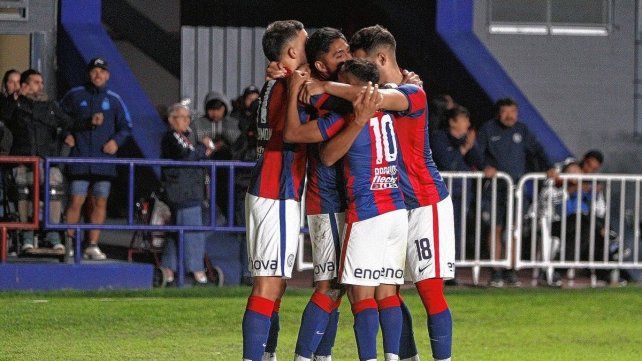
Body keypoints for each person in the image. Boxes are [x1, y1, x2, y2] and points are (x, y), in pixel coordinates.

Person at [241, 20, 308, 361]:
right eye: (306, 41)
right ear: (293, 52)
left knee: (276, 282)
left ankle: (267, 354)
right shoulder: (291, 84)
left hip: (266, 188)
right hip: (276, 192)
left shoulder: (273, 83)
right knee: (268, 284)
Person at [1, 69, 96, 251]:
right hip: (23, 159)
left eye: (42, 82)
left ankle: (53, 236)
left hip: (46, 160)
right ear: (25, 85)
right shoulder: (16, 105)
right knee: (24, 190)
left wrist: (90, 122)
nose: (41, 86)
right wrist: (14, 99)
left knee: (53, 189)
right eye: (36, 82)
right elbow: (4, 116)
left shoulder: (51, 106)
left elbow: (69, 122)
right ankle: (26, 235)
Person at [477, 98, 558, 287]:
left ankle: (511, 270)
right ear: (499, 113)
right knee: (495, 228)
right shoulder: (488, 129)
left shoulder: (522, 130)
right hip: (495, 189)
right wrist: (485, 167)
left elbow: (537, 150)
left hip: (516, 190)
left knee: (514, 229)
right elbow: (477, 152)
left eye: (513, 112)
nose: (509, 116)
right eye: (506, 112)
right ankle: (496, 270)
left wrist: (550, 167)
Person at [60, 57, 132, 260]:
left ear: (107, 75)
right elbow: (57, 117)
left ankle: (92, 244)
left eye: (102, 71)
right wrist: (66, 134)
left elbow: (127, 127)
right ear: (89, 74)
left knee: (100, 202)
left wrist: (116, 142)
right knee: (76, 200)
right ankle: (69, 243)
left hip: (104, 161)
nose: (98, 75)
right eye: (94, 71)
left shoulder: (115, 99)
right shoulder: (75, 95)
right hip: (80, 158)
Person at [431, 105, 492, 272]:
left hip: (462, 193)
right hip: (442, 193)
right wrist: (465, 148)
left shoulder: (467, 140)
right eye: (463, 119)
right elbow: (448, 163)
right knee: (440, 230)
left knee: (458, 230)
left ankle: (453, 268)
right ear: (452, 122)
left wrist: (486, 167)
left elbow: (479, 161)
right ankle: (438, 268)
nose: (467, 123)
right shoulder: (439, 138)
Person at [159, 102, 214, 285]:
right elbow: (186, 155)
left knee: (176, 232)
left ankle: (168, 269)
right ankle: (198, 272)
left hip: (188, 190)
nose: (187, 121)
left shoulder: (185, 137)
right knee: (193, 232)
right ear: (171, 120)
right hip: (183, 192)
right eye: (183, 117)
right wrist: (203, 149)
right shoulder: (172, 137)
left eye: (188, 117)